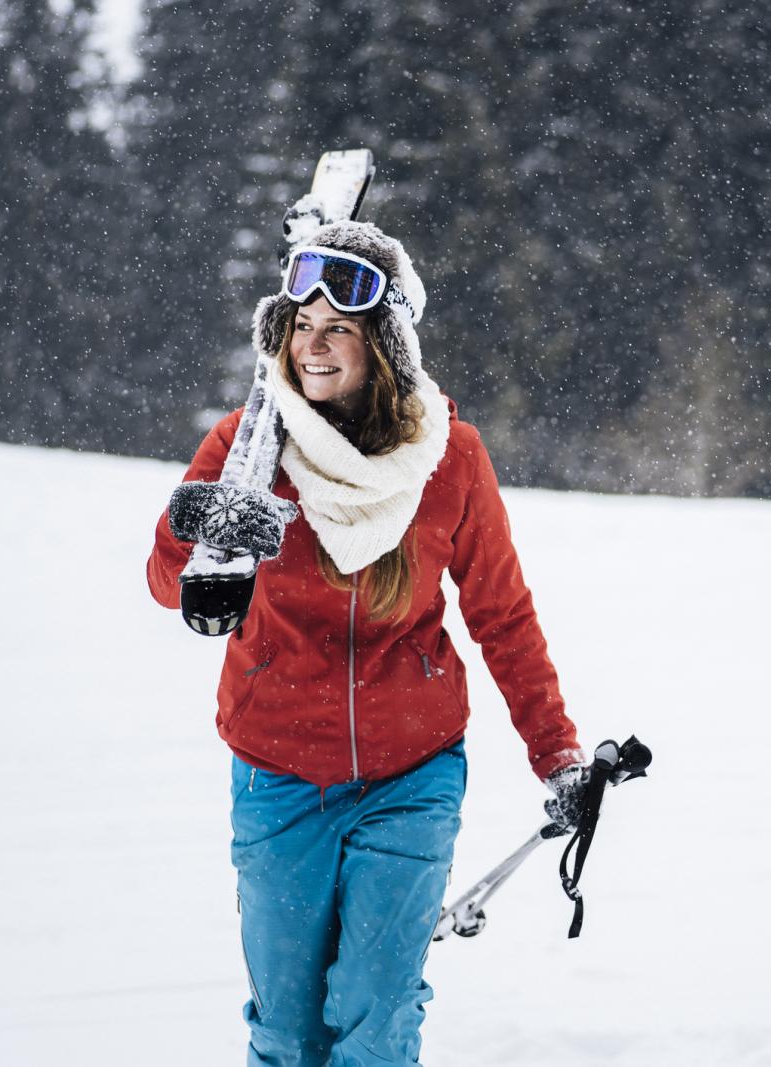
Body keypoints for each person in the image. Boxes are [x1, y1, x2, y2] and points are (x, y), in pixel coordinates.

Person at [145, 218, 587, 1067]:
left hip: (411, 771)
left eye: (337, 328)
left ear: (382, 343)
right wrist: (190, 526)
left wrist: (557, 752)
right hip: (278, 772)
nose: (313, 347)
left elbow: (502, 614)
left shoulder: (447, 456)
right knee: (287, 1030)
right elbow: (174, 589)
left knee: (375, 1020)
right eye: (301, 326)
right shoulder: (248, 450)